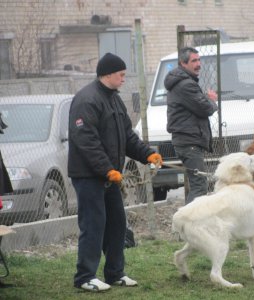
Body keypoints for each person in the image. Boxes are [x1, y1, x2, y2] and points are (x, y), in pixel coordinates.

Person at [68, 53, 163, 292]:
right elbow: (86, 141)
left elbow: (127, 136)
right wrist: (107, 169)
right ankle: (85, 276)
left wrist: (147, 154)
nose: (123, 78)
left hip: (111, 176)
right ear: (107, 74)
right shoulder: (86, 100)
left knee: (117, 224)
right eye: (120, 74)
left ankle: (114, 273)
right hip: (89, 176)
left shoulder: (114, 99)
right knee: (94, 224)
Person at [165, 47, 218, 204]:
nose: (199, 64)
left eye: (199, 60)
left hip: (189, 142)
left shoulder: (184, 82)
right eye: (194, 61)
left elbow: (197, 104)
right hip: (189, 143)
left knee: (198, 184)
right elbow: (205, 108)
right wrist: (212, 100)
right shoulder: (185, 85)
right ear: (183, 63)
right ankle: (190, 224)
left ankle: (191, 223)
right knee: (199, 186)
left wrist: (205, 98)